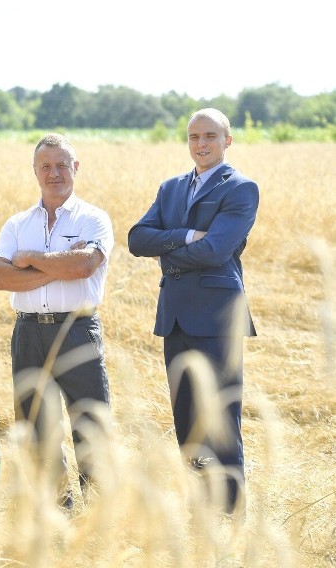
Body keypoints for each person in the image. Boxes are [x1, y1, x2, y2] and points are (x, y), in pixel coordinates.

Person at [128, 108, 258, 515]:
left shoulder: (239, 187)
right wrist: (184, 235)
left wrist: (168, 256)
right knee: (186, 415)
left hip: (219, 316)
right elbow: (136, 238)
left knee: (220, 412)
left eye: (210, 137)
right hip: (176, 317)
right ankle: (202, 501)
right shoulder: (170, 188)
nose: (200, 144)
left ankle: (230, 510)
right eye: (193, 137)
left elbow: (217, 248)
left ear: (227, 141)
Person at [0, 132, 114, 509]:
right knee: (35, 426)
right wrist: (58, 265)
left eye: (62, 165)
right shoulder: (16, 224)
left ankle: (100, 513)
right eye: (46, 166)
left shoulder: (94, 218)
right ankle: (58, 509)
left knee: (90, 421)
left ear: (75, 168)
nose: (54, 172)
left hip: (77, 329)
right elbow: (0, 278)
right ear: (35, 171)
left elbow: (84, 264)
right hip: (28, 332)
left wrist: (29, 258)